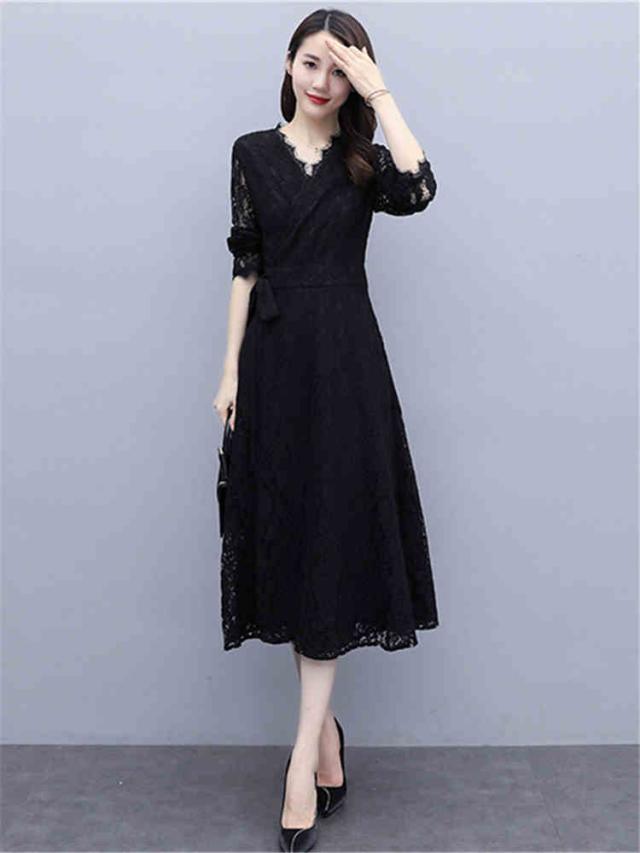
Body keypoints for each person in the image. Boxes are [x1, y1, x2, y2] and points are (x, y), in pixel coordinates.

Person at [212, 8, 440, 851]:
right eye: (312, 63)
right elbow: (245, 265)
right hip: (274, 369)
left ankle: (301, 762)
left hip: (346, 370)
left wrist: (384, 95)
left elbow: (421, 187)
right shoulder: (250, 153)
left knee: (331, 547)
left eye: (340, 70)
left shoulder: (364, 165)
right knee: (295, 546)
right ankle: (329, 739)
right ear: (288, 64)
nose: (322, 81)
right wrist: (229, 374)